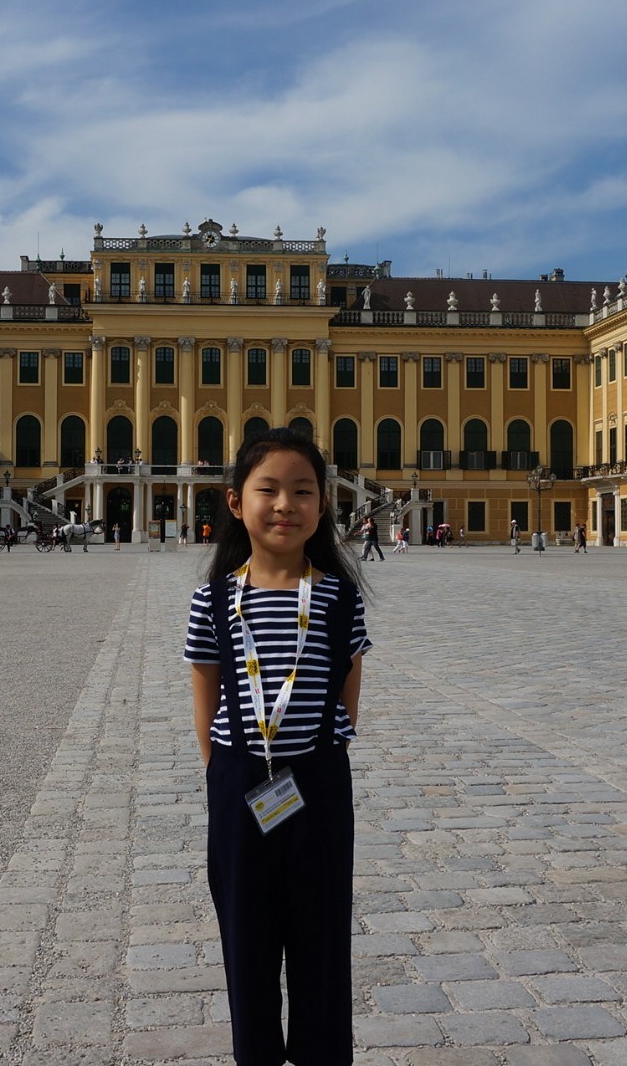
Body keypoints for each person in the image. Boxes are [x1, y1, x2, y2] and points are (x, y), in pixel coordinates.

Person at [185, 428, 368, 1066]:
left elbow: (347, 696)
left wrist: (315, 759)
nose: (286, 504)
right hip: (242, 788)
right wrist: (227, 778)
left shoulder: (341, 599)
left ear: (323, 507)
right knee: (248, 942)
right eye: (270, 490)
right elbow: (205, 696)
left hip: (317, 785)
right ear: (237, 502)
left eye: (303, 491)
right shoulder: (211, 602)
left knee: (320, 942)